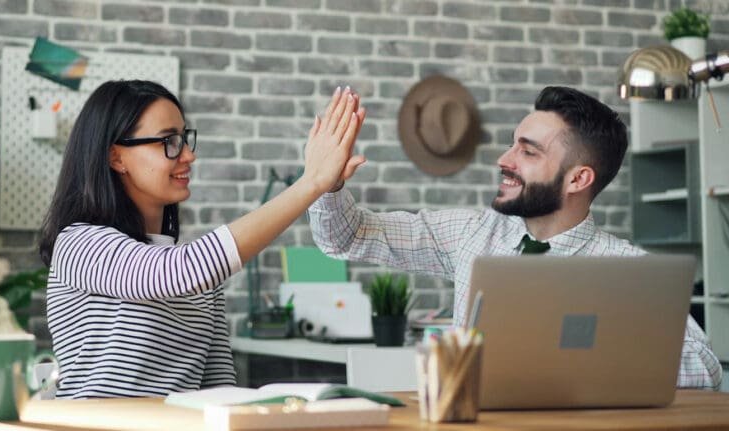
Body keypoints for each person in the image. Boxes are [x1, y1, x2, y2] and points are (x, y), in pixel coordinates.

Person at [308, 86, 723, 390]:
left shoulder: (628, 268)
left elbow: (704, 368)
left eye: (528, 151)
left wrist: (585, 358)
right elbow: (347, 236)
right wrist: (326, 185)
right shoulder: (471, 235)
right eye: (512, 145)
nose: (504, 161)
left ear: (579, 178)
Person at [38, 80, 365, 398]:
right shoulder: (78, 244)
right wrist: (310, 184)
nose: (188, 156)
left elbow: (218, 388)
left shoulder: (200, 276)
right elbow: (173, 273)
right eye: (168, 141)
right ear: (116, 157)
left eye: (184, 139)